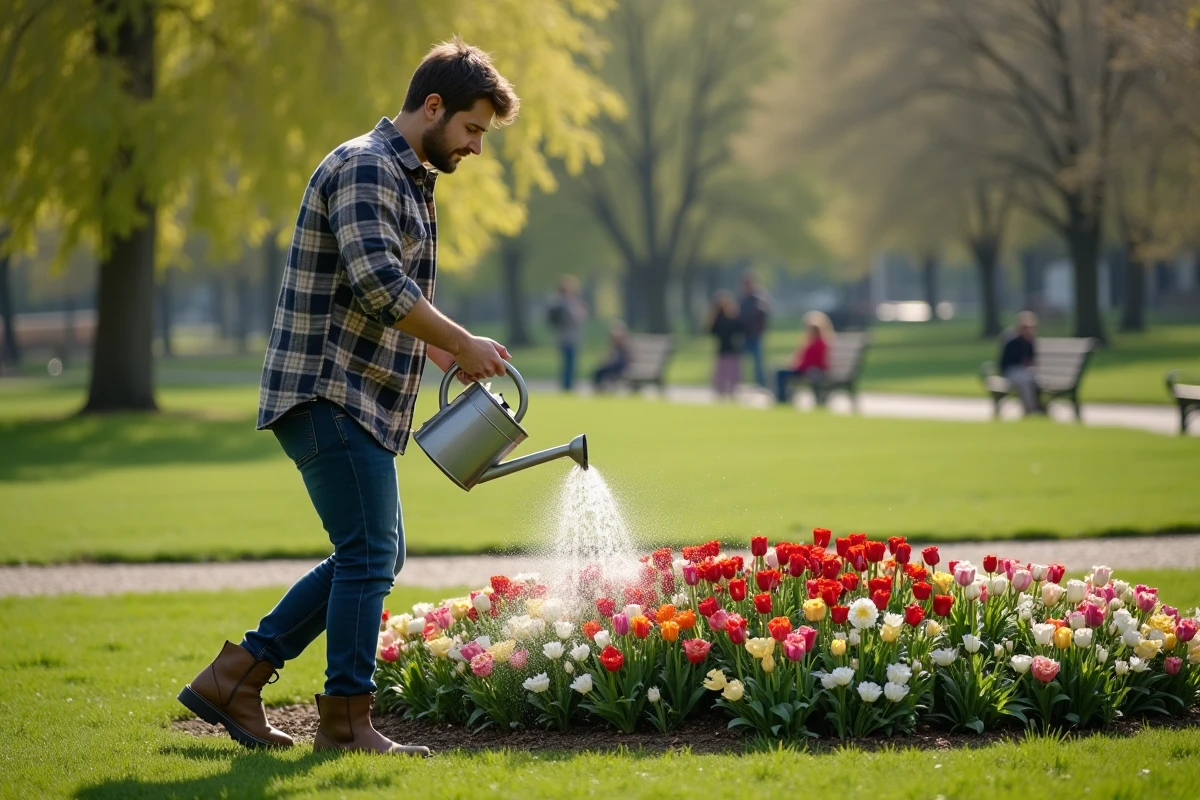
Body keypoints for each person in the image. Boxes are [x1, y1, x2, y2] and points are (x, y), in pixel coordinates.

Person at [177, 38, 519, 758]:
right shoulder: (365, 166)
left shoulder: (407, 177)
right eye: (472, 129)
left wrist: (435, 345)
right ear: (433, 106)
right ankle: (345, 721)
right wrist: (461, 341)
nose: (476, 147)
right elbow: (379, 286)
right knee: (369, 554)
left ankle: (235, 676)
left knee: (372, 553)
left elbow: (396, 293)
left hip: (355, 395)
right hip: (327, 390)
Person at [775, 311, 833, 405]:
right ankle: (783, 397)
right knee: (780, 370)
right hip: (807, 369)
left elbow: (811, 361)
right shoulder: (815, 342)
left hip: (809, 370)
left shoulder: (817, 344)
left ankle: (782, 399)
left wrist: (796, 366)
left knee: (780, 373)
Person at [546, 275, 588, 391]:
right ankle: (567, 385)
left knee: (569, 362)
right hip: (569, 337)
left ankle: (567, 384)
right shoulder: (565, 304)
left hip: (566, 337)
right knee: (569, 363)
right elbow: (577, 317)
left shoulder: (560, 303)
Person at [999, 310, 1042, 415]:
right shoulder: (1012, 341)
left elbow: (1032, 359)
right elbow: (1006, 361)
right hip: (1012, 370)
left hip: (1026, 371)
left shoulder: (1030, 342)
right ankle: (1030, 408)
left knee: (1032, 379)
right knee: (1024, 380)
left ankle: (1038, 406)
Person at [709, 291, 744, 399]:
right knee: (722, 373)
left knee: (733, 373)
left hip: (732, 350)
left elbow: (740, 328)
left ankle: (732, 391)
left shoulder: (733, 319)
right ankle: (721, 391)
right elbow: (712, 330)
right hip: (723, 350)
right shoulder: (719, 320)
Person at [739, 272, 770, 388]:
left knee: (758, 361)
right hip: (745, 334)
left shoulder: (759, 297)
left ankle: (761, 383)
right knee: (740, 360)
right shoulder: (743, 298)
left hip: (755, 334)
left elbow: (763, 313)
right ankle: (740, 382)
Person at [592, 320, 631, 390]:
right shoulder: (612, 346)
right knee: (598, 372)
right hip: (612, 366)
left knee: (602, 372)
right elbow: (607, 357)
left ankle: (600, 388)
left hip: (620, 366)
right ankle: (599, 389)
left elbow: (626, 358)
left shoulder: (624, 345)